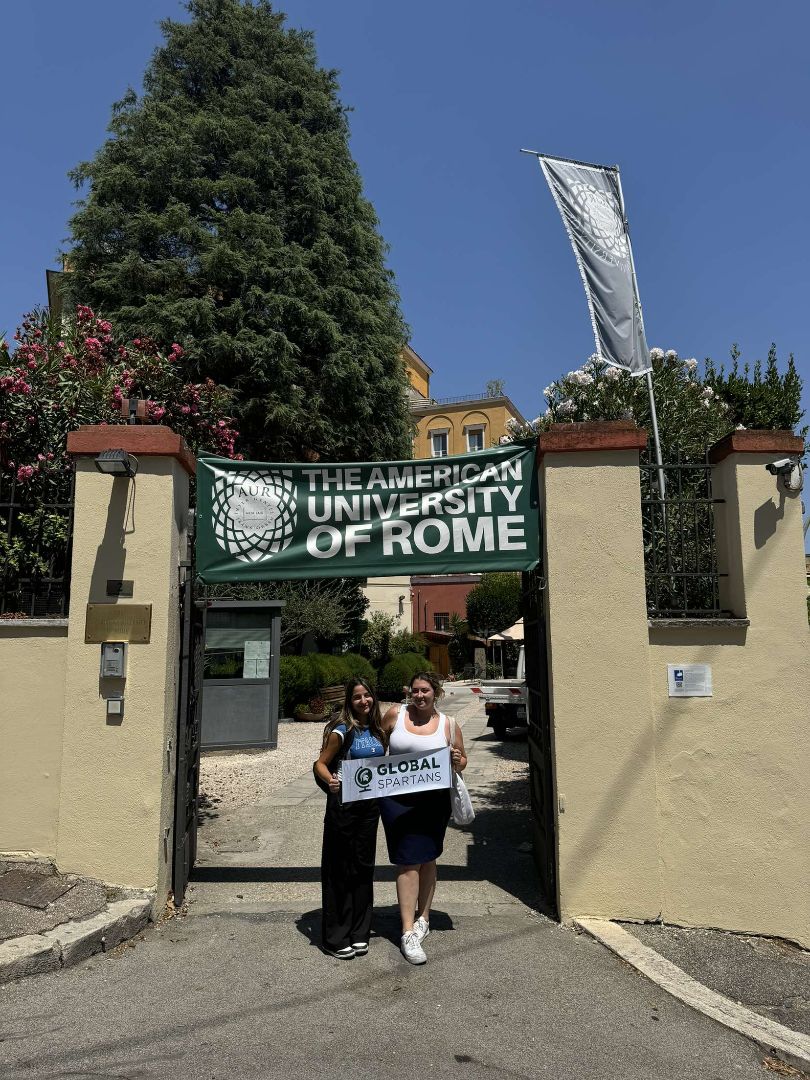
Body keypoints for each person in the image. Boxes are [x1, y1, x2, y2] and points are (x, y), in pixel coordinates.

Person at [380, 671, 467, 964]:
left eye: (425, 691)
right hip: (396, 802)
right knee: (407, 861)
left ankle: (424, 918)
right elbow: (376, 751)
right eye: (415, 690)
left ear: (436, 693)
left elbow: (463, 760)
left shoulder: (449, 724)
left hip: (433, 804)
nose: (419, 696)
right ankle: (407, 931)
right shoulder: (394, 714)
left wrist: (458, 760)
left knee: (428, 857)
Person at [314, 677, 387, 959]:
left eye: (367, 695)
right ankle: (335, 936)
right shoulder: (342, 730)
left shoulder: (378, 730)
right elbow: (320, 763)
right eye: (357, 697)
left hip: (369, 810)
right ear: (349, 701)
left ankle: (360, 932)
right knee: (340, 869)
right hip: (344, 808)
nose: (363, 701)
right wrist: (331, 779)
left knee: (363, 868)